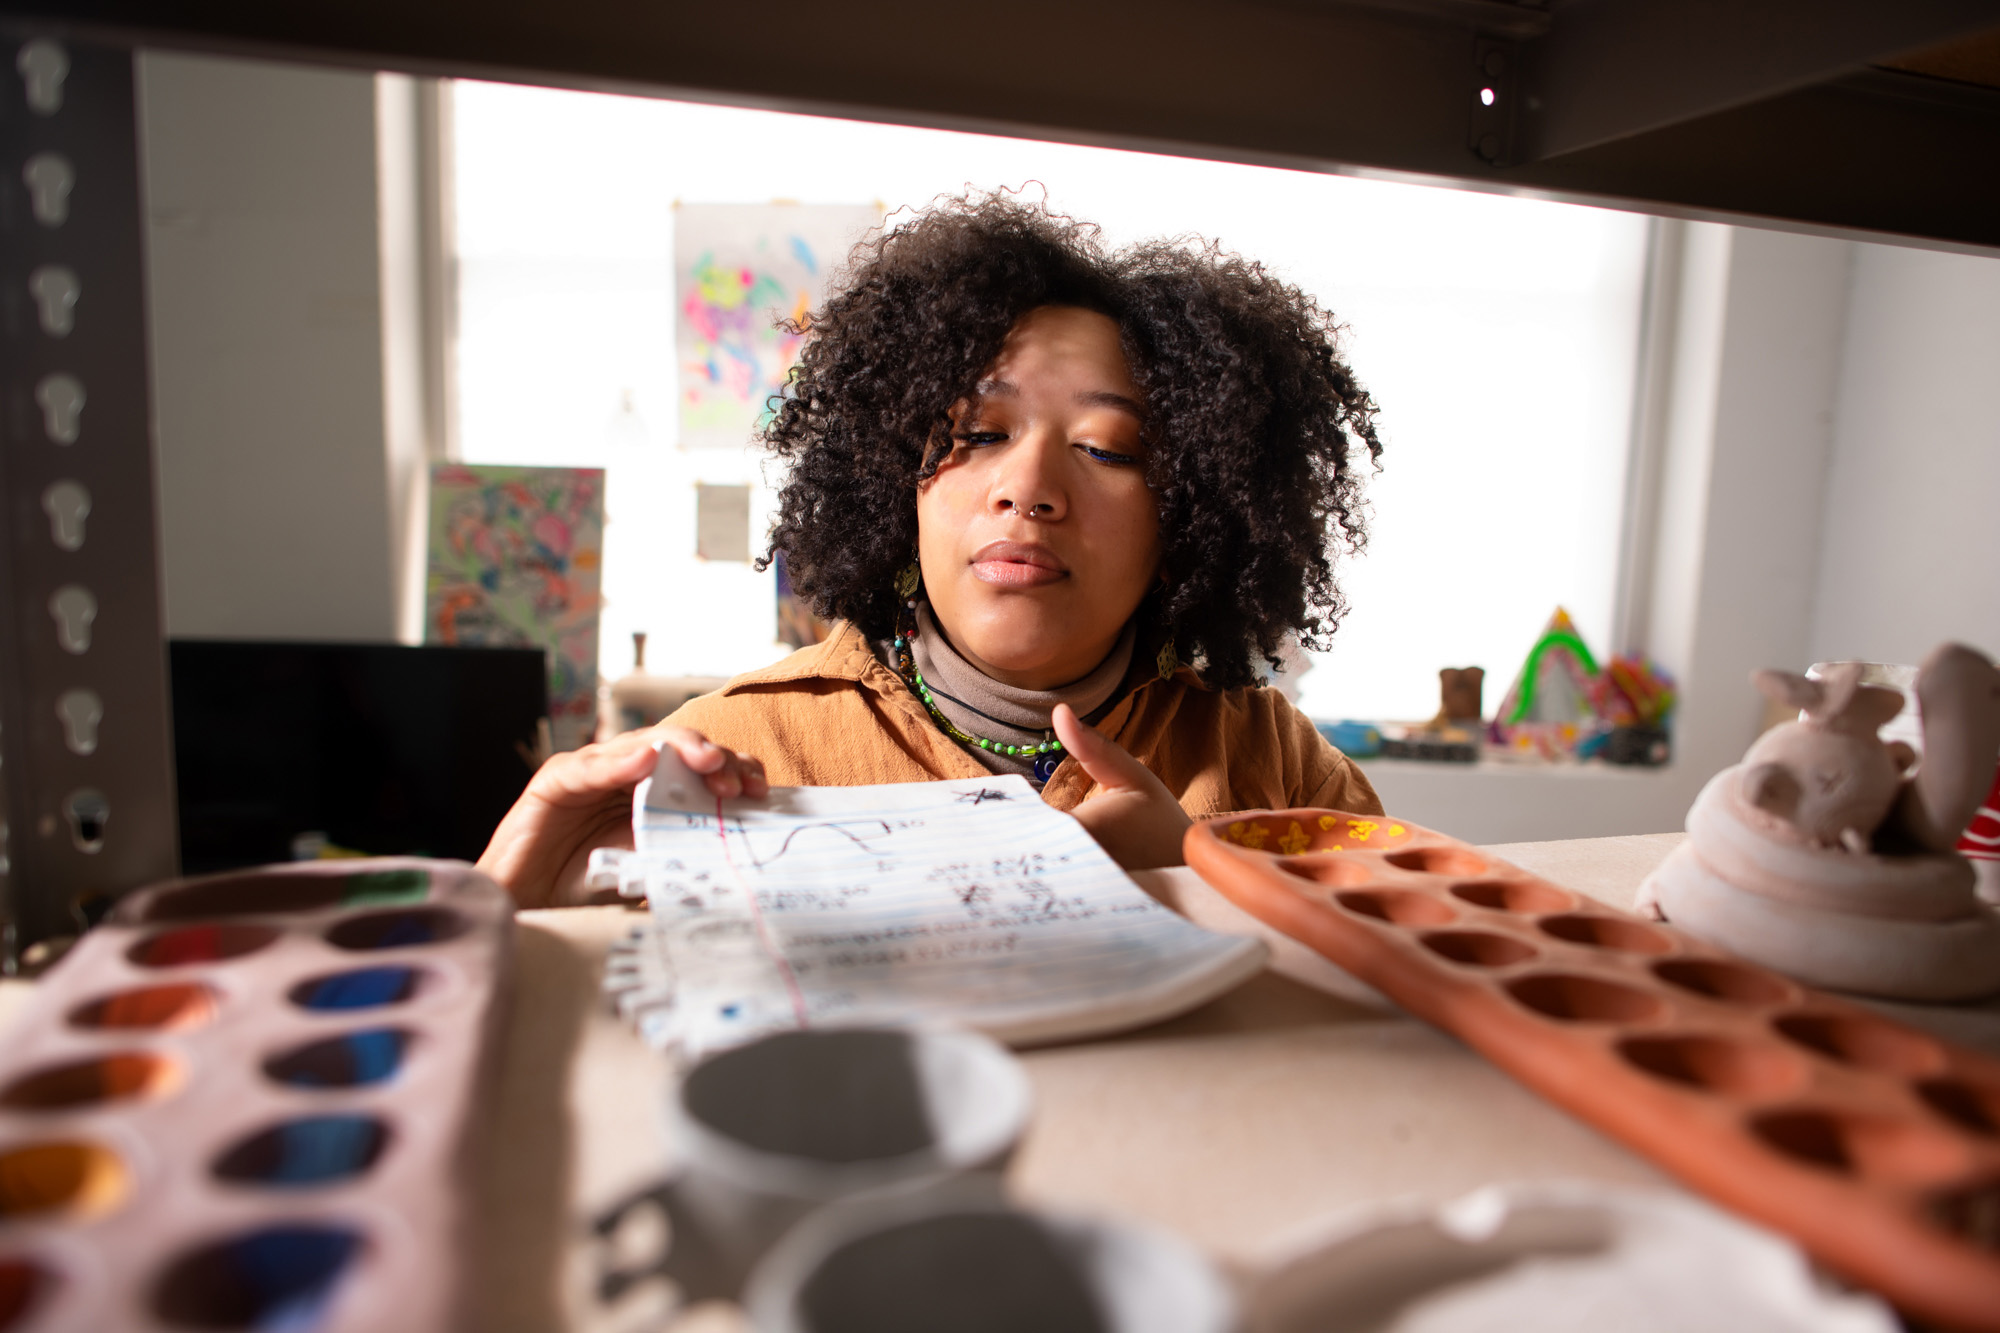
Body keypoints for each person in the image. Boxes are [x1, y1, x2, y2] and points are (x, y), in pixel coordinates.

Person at [480, 193, 1386, 907]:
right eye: (978, 432)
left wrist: (1195, 881)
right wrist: (513, 913)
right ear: (895, 480)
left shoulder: (1277, 766)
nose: (1027, 486)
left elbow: (1409, 1044)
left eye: (1108, 448)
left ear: (1192, 511)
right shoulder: (722, 756)